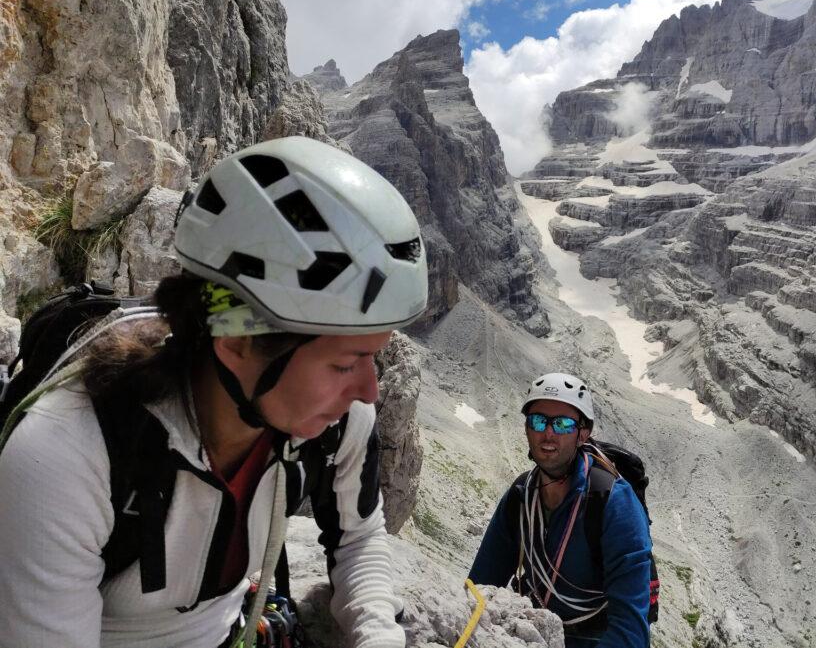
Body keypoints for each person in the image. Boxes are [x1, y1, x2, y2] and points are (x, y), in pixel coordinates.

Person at [0, 136, 428, 647]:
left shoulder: (334, 423)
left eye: (373, 356)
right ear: (240, 342)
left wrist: (378, 635)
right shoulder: (69, 454)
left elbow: (358, 539)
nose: (369, 391)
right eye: (344, 363)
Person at [469, 372, 652, 647]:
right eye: (539, 421)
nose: (548, 433)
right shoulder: (521, 496)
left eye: (564, 424)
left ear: (583, 433)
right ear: (527, 428)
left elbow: (631, 630)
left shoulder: (613, 502)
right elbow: (480, 587)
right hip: (536, 635)